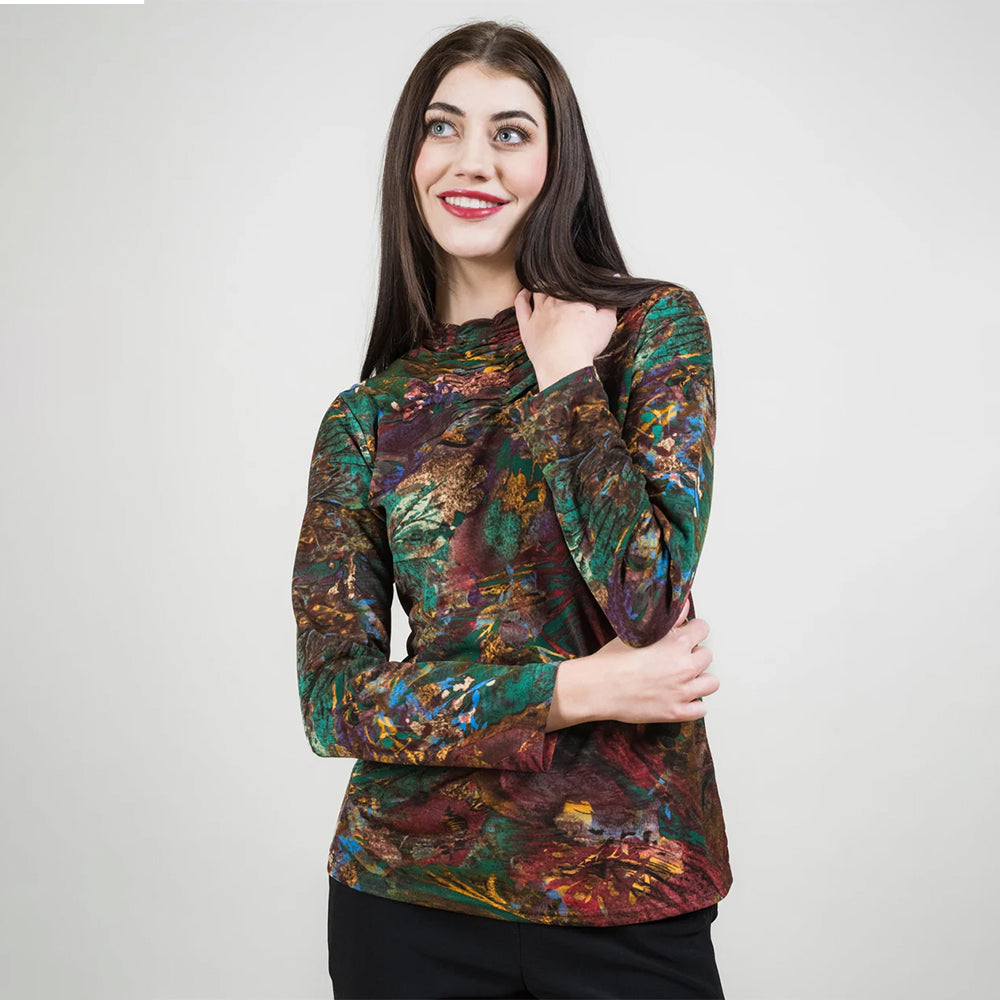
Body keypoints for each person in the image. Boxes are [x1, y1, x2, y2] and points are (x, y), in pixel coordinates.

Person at [291, 19, 732, 1000]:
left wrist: (564, 378)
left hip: (627, 886)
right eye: (443, 128)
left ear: (555, 160)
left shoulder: (646, 331)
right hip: (405, 901)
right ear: (410, 158)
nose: (470, 159)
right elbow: (333, 702)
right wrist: (574, 692)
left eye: (509, 132)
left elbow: (648, 607)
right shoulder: (367, 418)